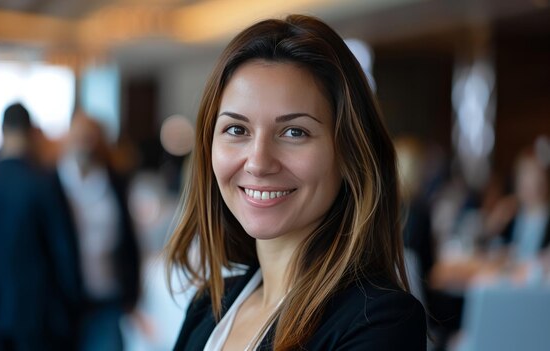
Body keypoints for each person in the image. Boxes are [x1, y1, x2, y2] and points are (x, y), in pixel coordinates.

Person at [165, 14, 427, 351]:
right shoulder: (208, 306)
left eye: (294, 132)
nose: (258, 162)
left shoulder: (379, 321)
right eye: (237, 129)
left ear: (350, 155)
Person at [0, 103, 82, 351]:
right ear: (31, 132)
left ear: (3, 131)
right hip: (35, 311)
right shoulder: (44, 186)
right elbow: (64, 252)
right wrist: (72, 306)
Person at [53, 113, 142, 351]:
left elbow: (129, 239)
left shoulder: (114, 181)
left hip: (108, 296)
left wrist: (133, 292)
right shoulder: (51, 184)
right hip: (64, 301)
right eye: (78, 135)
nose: (84, 142)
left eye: (89, 136)